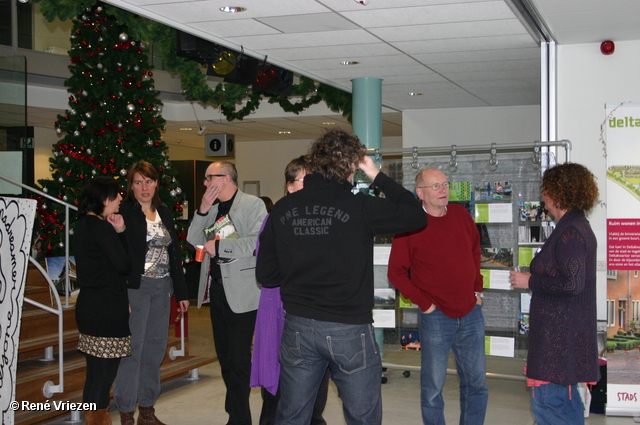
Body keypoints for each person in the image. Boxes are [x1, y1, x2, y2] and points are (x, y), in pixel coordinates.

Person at [256, 129, 426, 425]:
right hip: (348, 328)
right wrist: (377, 175)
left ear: (314, 163)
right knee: (362, 417)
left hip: (298, 326)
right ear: (352, 166)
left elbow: (267, 276)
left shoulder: (283, 209)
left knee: (292, 415)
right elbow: (415, 214)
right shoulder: (359, 206)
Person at [387, 167, 488, 425]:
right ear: (420, 193)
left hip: (470, 313)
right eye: (436, 186)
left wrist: (478, 289)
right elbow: (396, 273)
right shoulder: (409, 225)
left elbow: (476, 252)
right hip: (436, 317)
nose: (443, 190)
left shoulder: (461, 215)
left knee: (476, 384)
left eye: (445, 184)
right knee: (433, 388)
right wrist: (426, 304)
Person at [510, 163, 600, 425]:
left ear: (556, 193)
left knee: (550, 408)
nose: (543, 197)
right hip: (562, 340)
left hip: (557, 345)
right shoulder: (574, 226)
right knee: (564, 407)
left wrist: (530, 281)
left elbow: (572, 284)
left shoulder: (570, 231)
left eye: (545, 190)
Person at [187, 160, 267, 425]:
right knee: (225, 360)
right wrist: (202, 211)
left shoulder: (253, 204)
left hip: (244, 295)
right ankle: (237, 414)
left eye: (210, 177)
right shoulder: (210, 209)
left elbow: (257, 243)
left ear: (227, 178)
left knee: (240, 360)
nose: (205, 183)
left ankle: (239, 418)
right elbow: (193, 241)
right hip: (217, 293)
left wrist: (220, 247)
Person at [251, 156, 330, 425]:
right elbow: (267, 274)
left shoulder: (324, 221)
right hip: (280, 315)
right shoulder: (274, 221)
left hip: (316, 318)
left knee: (316, 398)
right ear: (289, 186)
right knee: (278, 397)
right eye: (304, 181)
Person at [113, 161, 190, 425]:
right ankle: (126, 412)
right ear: (130, 185)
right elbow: (119, 255)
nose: (144, 187)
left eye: (149, 181)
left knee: (155, 350)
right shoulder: (124, 212)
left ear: (156, 183)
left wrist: (181, 293)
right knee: (133, 350)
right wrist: (122, 296)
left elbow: (174, 254)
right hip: (137, 289)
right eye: (138, 182)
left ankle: (147, 410)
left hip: (163, 288)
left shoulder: (165, 212)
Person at [74, 176, 131, 425]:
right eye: (116, 195)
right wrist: (121, 232)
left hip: (90, 305)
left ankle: (93, 419)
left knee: (95, 374)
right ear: (103, 199)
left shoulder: (83, 225)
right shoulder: (99, 227)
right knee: (103, 375)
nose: (120, 198)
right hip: (106, 307)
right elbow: (124, 264)